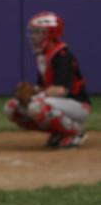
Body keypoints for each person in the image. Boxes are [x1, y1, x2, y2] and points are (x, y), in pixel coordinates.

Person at [6, 12, 90, 148]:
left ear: (50, 33)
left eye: (38, 32)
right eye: (33, 32)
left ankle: (75, 132)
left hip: (77, 104)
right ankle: (60, 132)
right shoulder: (43, 55)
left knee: (36, 106)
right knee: (12, 108)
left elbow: (61, 90)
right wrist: (32, 90)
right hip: (59, 103)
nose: (33, 36)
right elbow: (44, 87)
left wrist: (37, 96)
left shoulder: (61, 55)